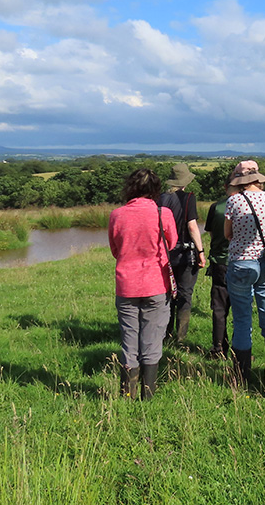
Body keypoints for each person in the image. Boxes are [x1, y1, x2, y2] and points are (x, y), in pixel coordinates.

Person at [108, 168, 177, 401]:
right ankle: (148, 395)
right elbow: (172, 242)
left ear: (131, 187)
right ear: (155, 189)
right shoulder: (163, 213)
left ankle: (127, 394)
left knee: (129, 339)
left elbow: (115, 250)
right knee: (152, 338)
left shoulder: (117, 215)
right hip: (156, 283)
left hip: (126, 284)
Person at [225, 160, 265, 384]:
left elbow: (228, 233)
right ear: (258, 178)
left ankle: (241, 375)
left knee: (241, 319)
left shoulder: (234, 201)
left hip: (241, 262)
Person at [158, 163, 206, 346]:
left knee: (168, 294)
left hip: (165, 254)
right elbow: (192, 226)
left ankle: (165, 333)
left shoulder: (160, 199)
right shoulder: (189, 198)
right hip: (186, 253)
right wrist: (201, 251)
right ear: (185, 181)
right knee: (185, 294)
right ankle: (180, 338)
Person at [203, 174, 238, 359]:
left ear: (225, 187)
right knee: (241, 308)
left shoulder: (215, 207)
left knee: (219, 308)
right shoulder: (244, 206)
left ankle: (218, 348)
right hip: (240, 261)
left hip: (219, 262)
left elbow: (209, 231)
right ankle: (239, 349)